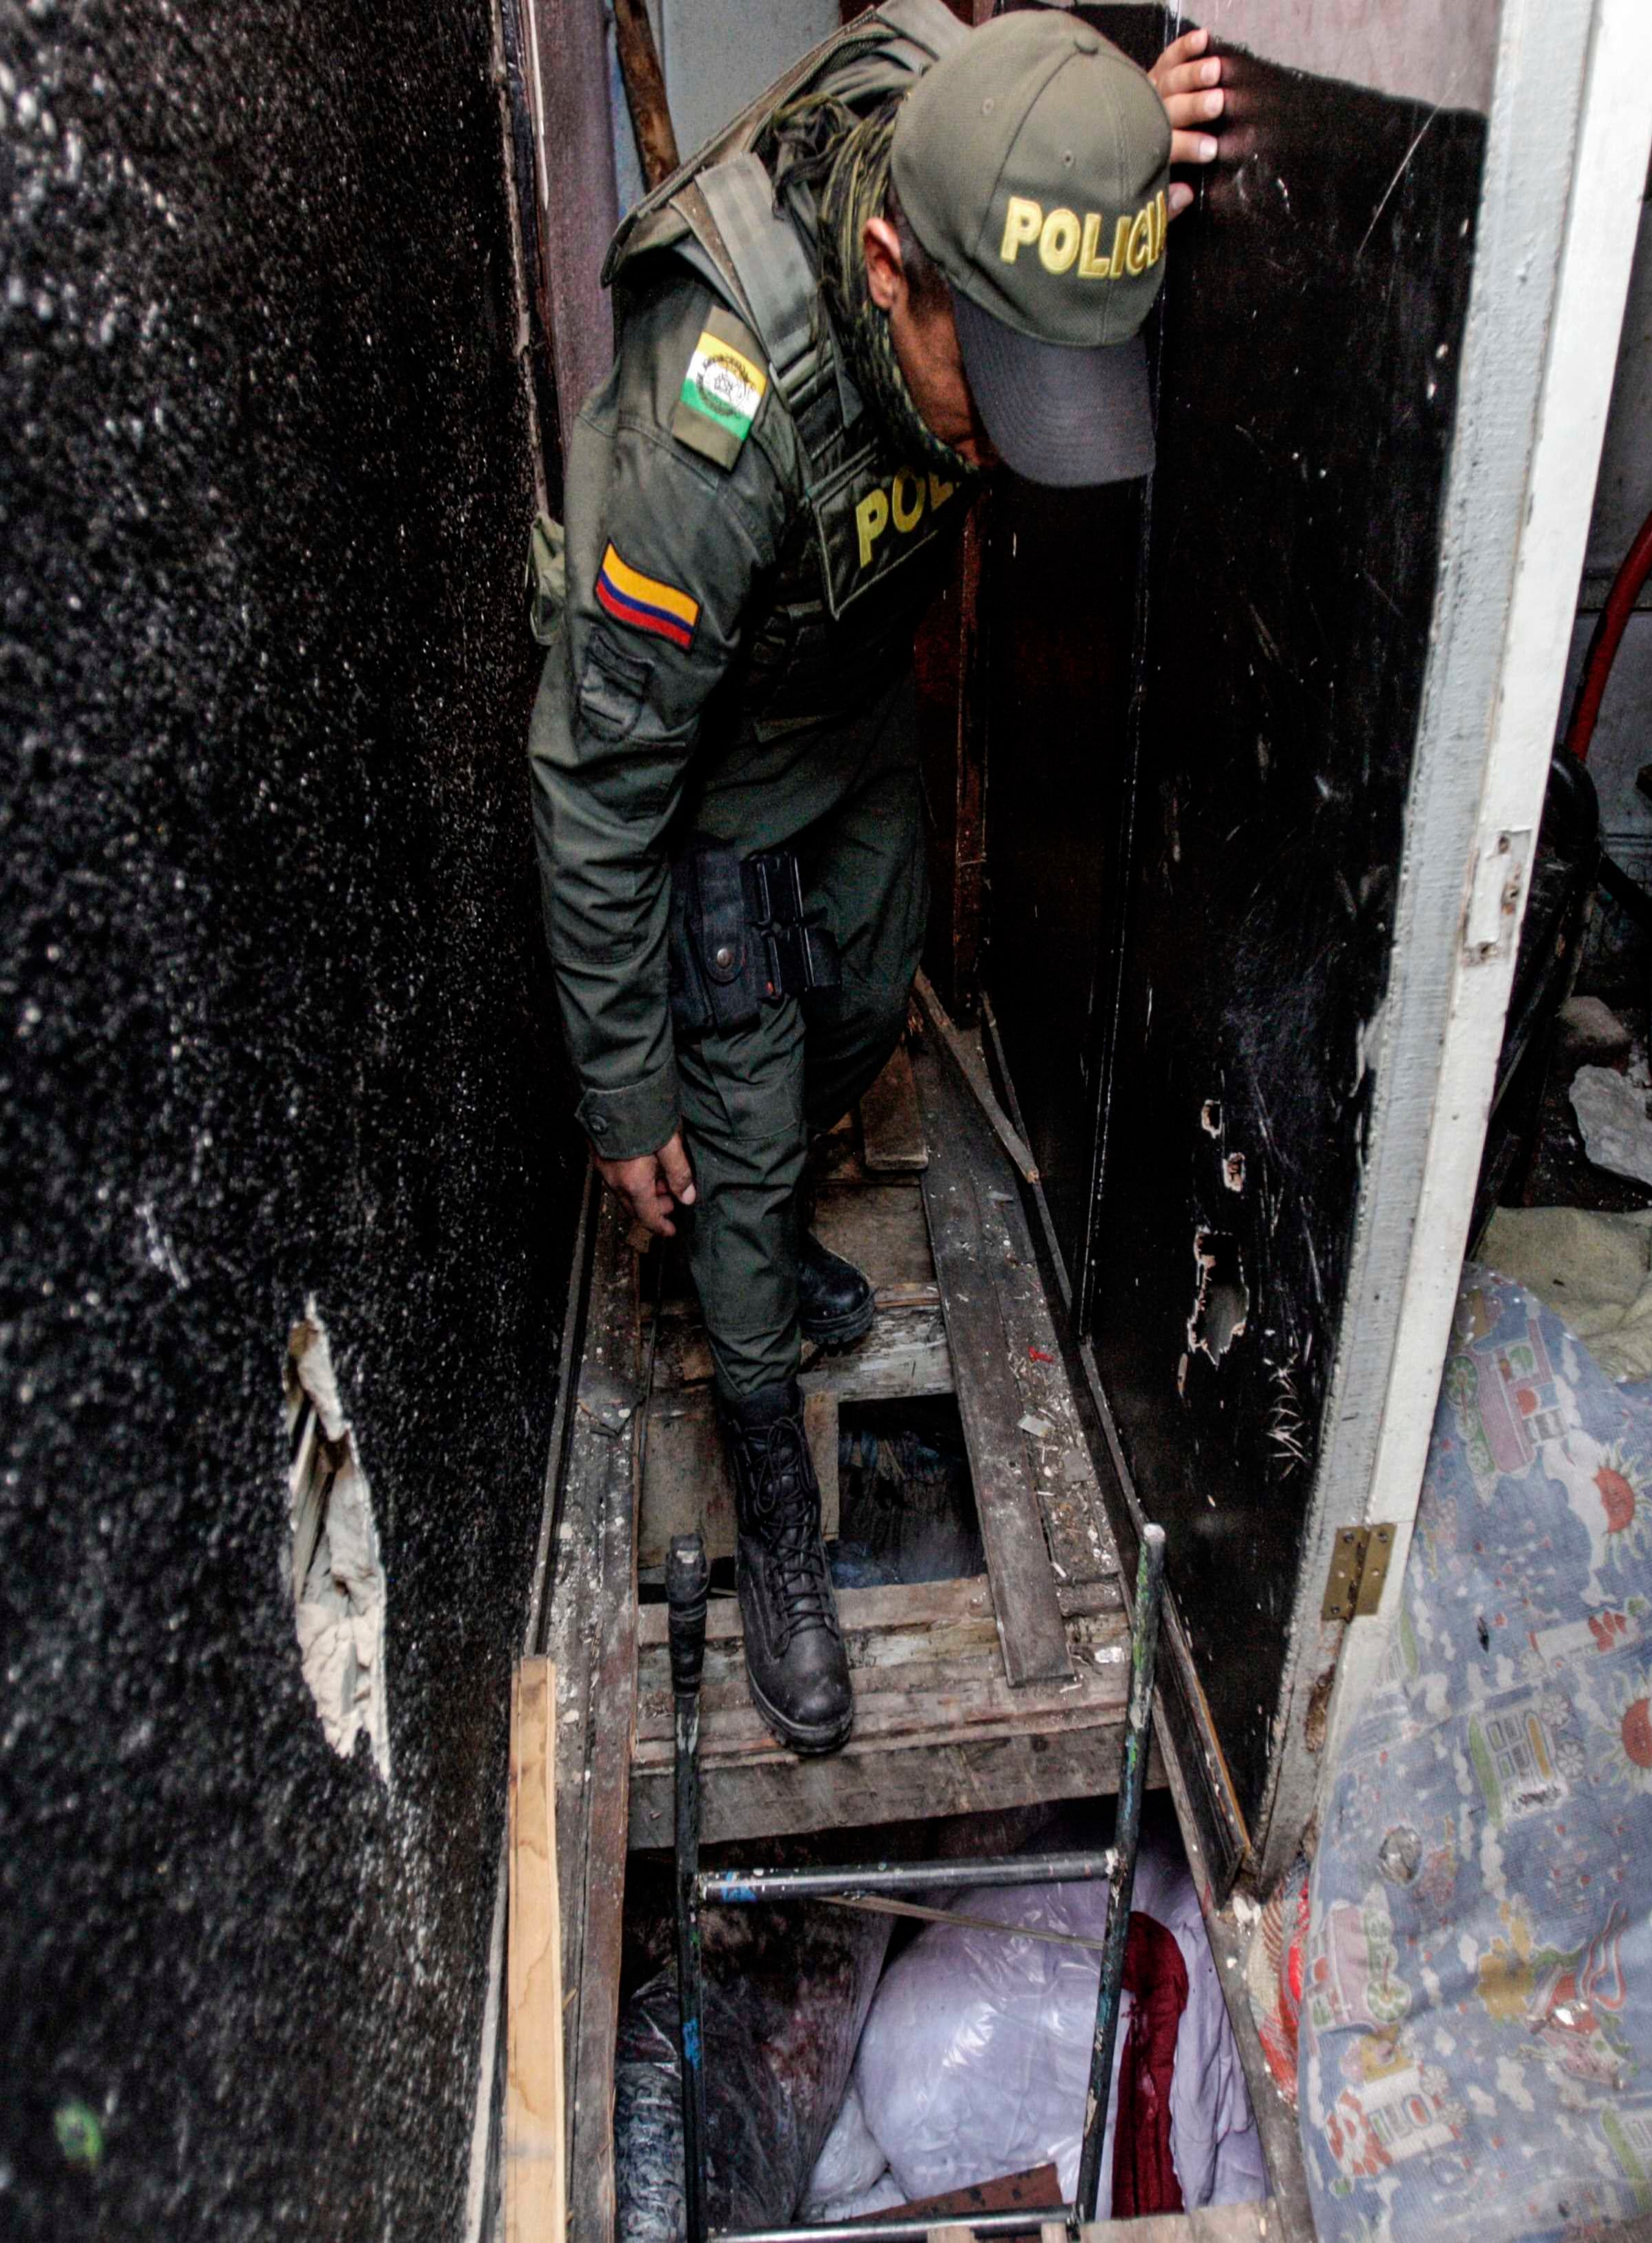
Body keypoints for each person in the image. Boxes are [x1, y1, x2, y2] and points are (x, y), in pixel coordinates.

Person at [528, 4, 1225, 1753]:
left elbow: (993, 103)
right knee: (740, 1135)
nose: (1005, 434)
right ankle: (768, 1464)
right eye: (986, 376)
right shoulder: (721, 415)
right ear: (892, 264)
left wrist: (1106, 147)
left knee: (871, 986)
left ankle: (750, 1240)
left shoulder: (964, 145)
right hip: (703, 776)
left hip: (847, 715)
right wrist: (628, 1093)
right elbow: (599, 781)